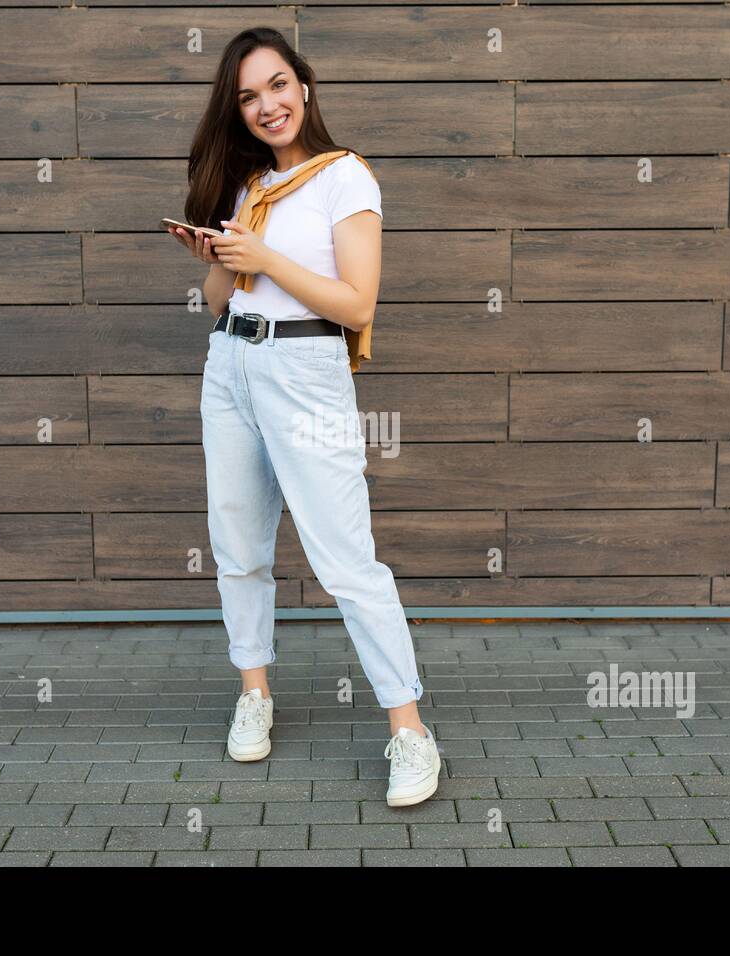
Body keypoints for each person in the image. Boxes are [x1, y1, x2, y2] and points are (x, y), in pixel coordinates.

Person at [166, 27, 439, 807]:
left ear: (305, 87)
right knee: (238, 543)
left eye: (277, 85)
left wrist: (267, 260)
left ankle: (409, 732)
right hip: (232, 367)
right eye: (249, 96)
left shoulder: (343, 178)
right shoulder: (249, 188)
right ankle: (255, 690)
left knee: (347, 560)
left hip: (308, 373)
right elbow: (222, 303)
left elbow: (357, 304)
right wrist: (217, 260)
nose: (266, 106)